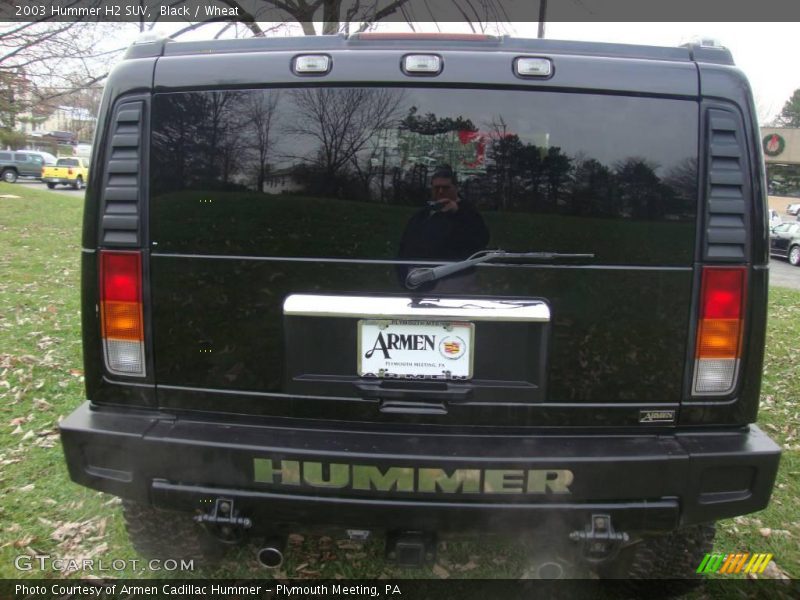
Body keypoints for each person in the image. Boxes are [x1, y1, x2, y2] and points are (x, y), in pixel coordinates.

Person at [397, 166, 490, 288]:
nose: (440, 191)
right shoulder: (421, 214)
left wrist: (458, 212)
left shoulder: (470, 212)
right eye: (436, 188)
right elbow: (404, 246)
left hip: (455, 279)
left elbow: (481, 240)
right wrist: (402, 275)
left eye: (445, 188)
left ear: (456, 188)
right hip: (417, 281)